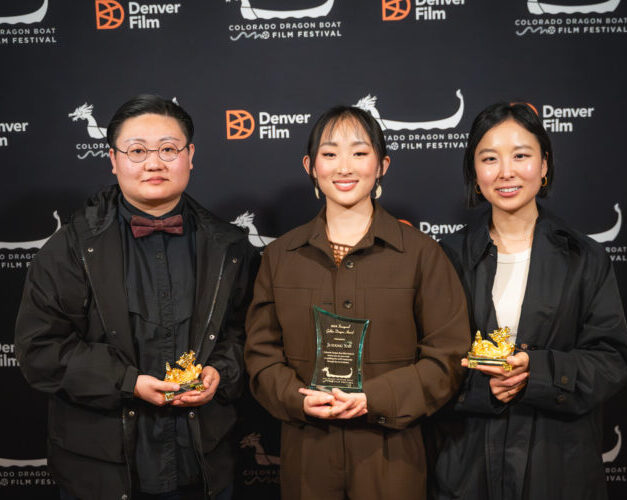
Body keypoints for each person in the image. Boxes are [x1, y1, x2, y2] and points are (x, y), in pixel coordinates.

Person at [15, 95, 259, 500]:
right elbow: (40, 351)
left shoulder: (229, 247)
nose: (154, 163)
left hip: (202, 467)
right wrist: (129, 383)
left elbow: (248, 333)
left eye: (168, 149)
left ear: (190, 155)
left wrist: (222, 371)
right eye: (137, 151)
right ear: (113, 159)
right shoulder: (70, 248)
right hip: (100, 473)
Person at [244, 105, 470, 500]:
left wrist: (376, 399)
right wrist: (298, 399)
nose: (344, 167)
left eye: (359, 153)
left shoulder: (421, 254)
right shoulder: (280, 256)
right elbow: (260, 356)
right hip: (306, 452)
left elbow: (448, 357)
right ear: (310, 165)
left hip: (394, 452)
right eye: (330, 154)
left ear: (382, 164)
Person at [434, 102, 627, 500]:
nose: (506, 171)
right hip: (467, 470)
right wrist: (480, 390)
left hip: (558, 468)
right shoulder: (446, 257)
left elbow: (613, 360)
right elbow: (425, 360)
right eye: (489, 158)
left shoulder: (584, 258)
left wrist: (537, 372)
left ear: (544, 166)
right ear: (475, 173)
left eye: (521, 156)